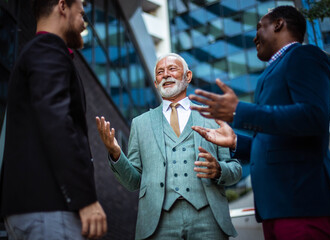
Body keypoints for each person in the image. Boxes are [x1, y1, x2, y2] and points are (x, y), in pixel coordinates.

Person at [189, 5, 330, 240]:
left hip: (302, 205)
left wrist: (240, 111)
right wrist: (235, 142)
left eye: (259, 27)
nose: (254, 36)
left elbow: (313, 117)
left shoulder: (304, 55)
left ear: (279, 24)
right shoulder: (269, 74)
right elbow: (276, 143)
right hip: (277, 208)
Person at [96, 53, 242, 240]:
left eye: (172, 69)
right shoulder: (140, 124)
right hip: (158, 223)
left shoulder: (211, 117)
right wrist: (116, 154)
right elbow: (133, 182)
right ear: (156, 83)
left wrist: (219, 170)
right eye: (160, 72)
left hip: (209, 218)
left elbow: (236, 169)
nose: (165, 75)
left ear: (187, 77)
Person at [0, 0, 107, 239]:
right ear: (62, 6)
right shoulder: (48, 49)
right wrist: (85, 199)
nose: (84, 23)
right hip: (50, 209)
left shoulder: (35, 52)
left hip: (34, 210)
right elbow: (56, 121)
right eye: (81, 13)